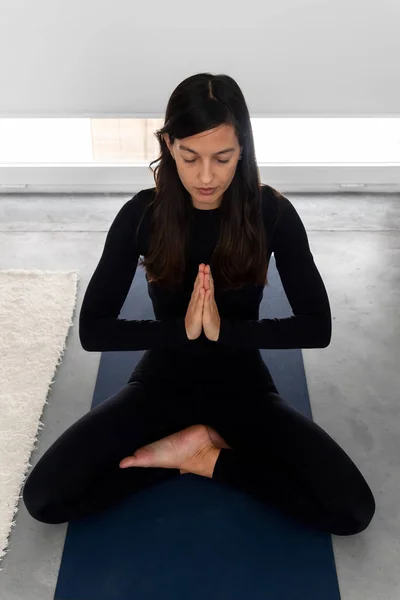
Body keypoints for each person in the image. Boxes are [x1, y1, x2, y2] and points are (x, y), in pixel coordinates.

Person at [22, 72, 375, 535]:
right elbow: (94, 329)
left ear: (243, 150)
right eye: (190, 157)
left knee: (351, 510)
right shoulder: (142, 214)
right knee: (45, 499)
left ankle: (202, 457)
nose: (206, 176)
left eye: (222, 158)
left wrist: (225, 332)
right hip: (161, 384)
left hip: (243, 388)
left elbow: (317, 326)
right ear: (169, 145)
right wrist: (179, 332)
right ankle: (186, 452)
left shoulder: (273, 213)